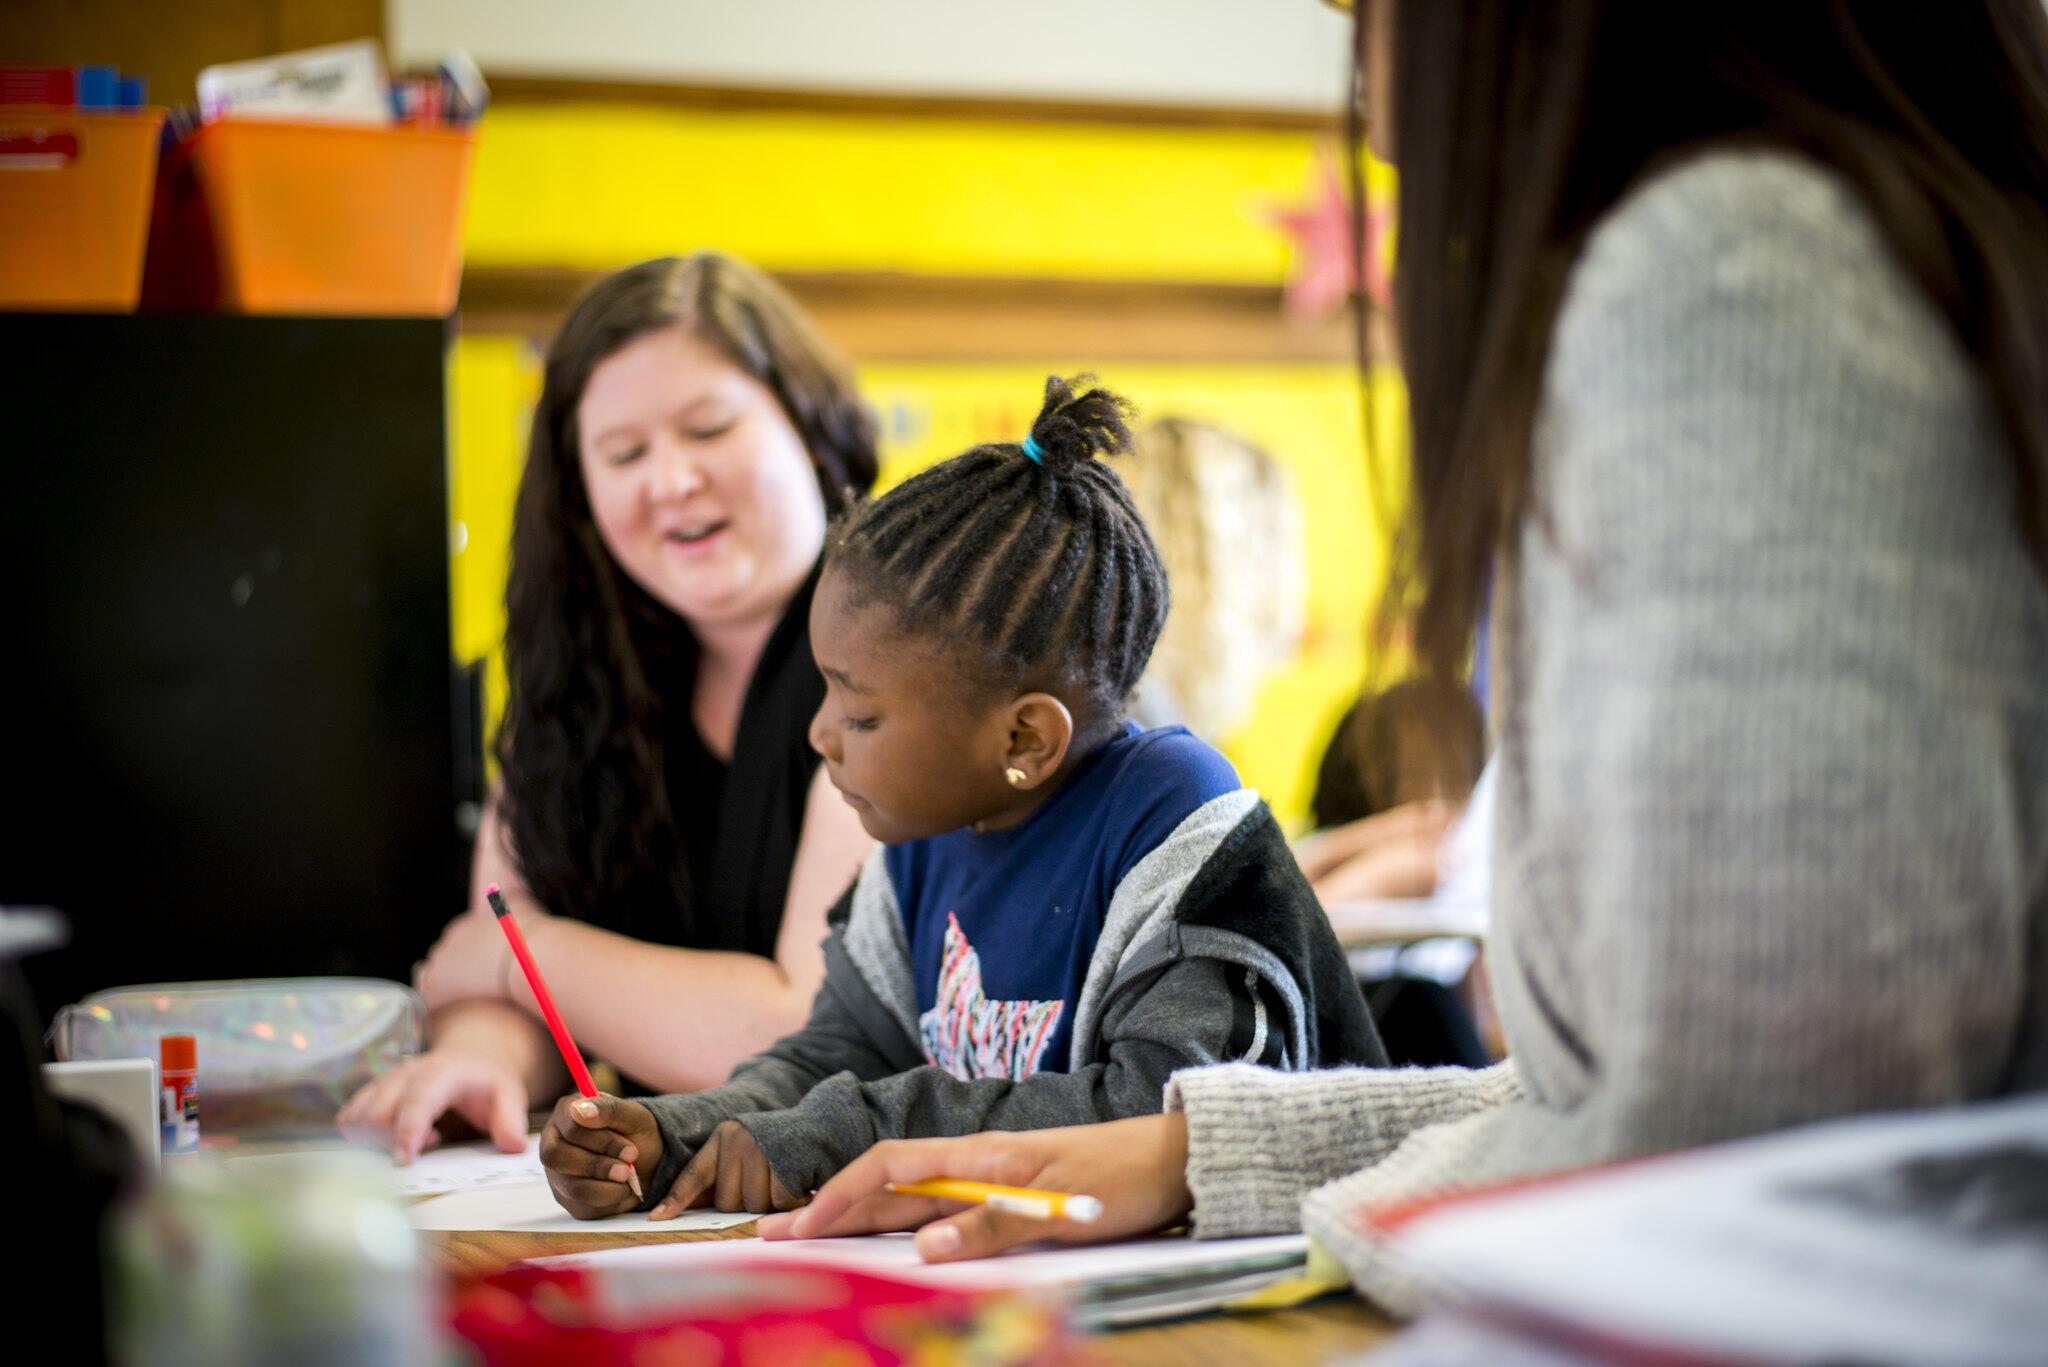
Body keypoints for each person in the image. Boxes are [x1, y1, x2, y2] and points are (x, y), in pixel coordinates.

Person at [758, 0, 2048, 1313]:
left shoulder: (1729, 269)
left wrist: (1247, 1179)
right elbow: (1606, 1098)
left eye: (1366, 11)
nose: (1372, 92)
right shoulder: (1868, 236)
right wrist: (1199, 1149)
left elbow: (1728, 1142)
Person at [536, 376, 1387, 1219]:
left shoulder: (1175, 823)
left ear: (1023, 741)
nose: (819, 734)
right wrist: (674, 1134)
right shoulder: (920, 839)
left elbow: (1163, 1119)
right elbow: (836, 1056)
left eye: (860, 711)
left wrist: (861, 1131)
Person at [338, 252, 880, 1161]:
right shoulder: (578, 679)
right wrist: (485, 1058)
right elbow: (503, 940)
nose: (669, 481)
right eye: (623, 454)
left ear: (810, 429)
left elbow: (806, 1031)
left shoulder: (903, 657)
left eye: (708, 429)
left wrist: (526, 960)